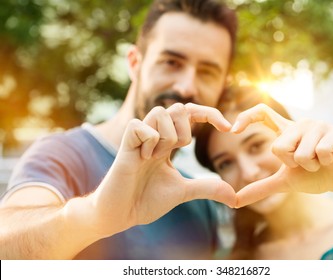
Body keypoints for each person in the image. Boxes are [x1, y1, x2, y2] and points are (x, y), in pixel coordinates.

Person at [0, 0, 238, 259]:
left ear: (223, 85)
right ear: (135, 63)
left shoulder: (201, 202)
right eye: (171, 62)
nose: (186, 87)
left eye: (207, 72)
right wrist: (94, 214)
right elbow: (7, 243)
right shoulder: (62, 153)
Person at [195, 86, 333, 259]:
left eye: (256, 146)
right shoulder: (228, 261)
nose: (248, 172)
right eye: (226, 163)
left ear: (291, 136)